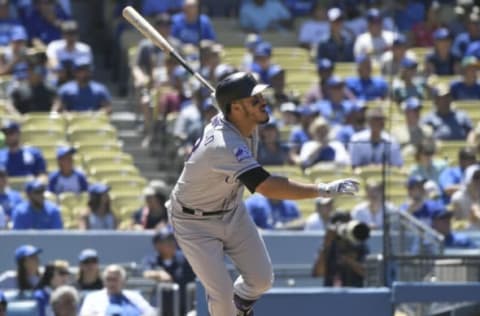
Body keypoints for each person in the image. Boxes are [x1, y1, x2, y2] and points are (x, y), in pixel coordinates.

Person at [166, 72, 359, 315]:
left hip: (231, 210)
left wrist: (232, 98)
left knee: (261, 280)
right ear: (235, 108)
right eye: (255, 99)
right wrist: (322, 189)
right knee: (222, 297)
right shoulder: (223, 145)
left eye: (260, 95)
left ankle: (241, 308)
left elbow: (225, 108)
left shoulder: (240, 119)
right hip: (194, 222)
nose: (263, 102)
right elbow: (266, 186)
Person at [142, 227, 195, 316]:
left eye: (172, 240)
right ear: (157, 245)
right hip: (159, 308)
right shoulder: (151, 259)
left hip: (185, 309)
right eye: (167, 240)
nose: (171, 243)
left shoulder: (185, 259)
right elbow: (145, 273)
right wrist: (158, 274)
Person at [312, 212, 369, 287]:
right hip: (331, 294)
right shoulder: (328, 245)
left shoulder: (359, 245)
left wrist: (349, 261)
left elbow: (367, 273)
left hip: (355, 293)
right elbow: (318, 273)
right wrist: (326, 245)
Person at [79, 264, 156, 316]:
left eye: (115, 279)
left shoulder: (134, 296)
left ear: (123, 281)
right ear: (104, 281)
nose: (111, 283)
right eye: (108, 279)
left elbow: (151, 313)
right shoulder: (93, 298)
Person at [46, 20, 93, 85]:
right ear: (62, 35)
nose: (71, 37)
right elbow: (52, 62)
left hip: (77, 79)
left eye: (73, 33)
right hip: (58, 77)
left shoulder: (85, 49)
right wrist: (60, 69)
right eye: (67, 34)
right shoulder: (54, 46)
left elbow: (87, 69)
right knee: (51, 77)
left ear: (77, 35)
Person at [451, 164, 480, 229]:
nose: (478, 181)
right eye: (476, 178)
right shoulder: (457, 198)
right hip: (466, 234)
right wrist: (471, 219)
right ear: (468, 179)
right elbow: (454, 224)